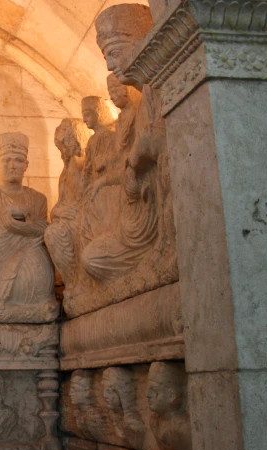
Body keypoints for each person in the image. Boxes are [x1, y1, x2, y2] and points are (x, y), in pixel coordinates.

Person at [81, 4, 177, 283]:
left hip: (150, 210)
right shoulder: (144, 99)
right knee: (92, 255)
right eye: (106, 57)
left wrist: (134, 161)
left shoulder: (159, 88)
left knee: (94, 256)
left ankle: (164, 254)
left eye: (114, 53)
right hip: (135, 213)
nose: (110, 65)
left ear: (141, 44)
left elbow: (155, 140)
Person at [0, 132, 54, 305]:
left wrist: (25, 227)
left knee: (35, 262)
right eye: (6, 160)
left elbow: (45, 234)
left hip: (27, 268)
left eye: (18, 160)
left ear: (26, 165)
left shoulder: (38, 199)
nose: (12, 165)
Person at [44, 119, 91, 288]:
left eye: (65, 145)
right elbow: (59, 206)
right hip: (68, 220)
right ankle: (73, 284)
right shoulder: (65, 172)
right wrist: (59, 212)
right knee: (53, 233)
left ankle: (81, 283)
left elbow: (90, 196)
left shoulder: (85, 166)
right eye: (60, 147)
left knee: (61, 232)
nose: (63, 151)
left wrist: (75, 211)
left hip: (86, 217)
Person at [147, 362, 192, 450]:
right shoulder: (154, 422)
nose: (147, 394)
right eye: (148, 389)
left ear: (171, 396)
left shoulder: (182, 427)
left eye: (154, 391)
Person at [101, 366, 145, 448]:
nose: (105, 395)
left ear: (123, 393)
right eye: (104, 391)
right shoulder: (114, 416)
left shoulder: (133, 424)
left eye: (110, 391)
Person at [68, 370, 110, 442]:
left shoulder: (94, 415)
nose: (70, 393)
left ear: (87, 392)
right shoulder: (79, 413)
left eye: (74, 389)